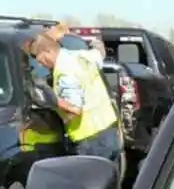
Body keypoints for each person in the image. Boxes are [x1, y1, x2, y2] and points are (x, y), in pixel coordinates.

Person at [25, 29, 121, 162]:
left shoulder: (65, 71)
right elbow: (99, 54)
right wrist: (96, 41)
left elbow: (75, 109)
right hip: (110, 132)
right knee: (108, 180)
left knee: (88, 182)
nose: (41, 64)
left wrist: (52, 100)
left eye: (40, 59)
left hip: (90, 141)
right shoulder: (82, 56)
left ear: (48, 51)